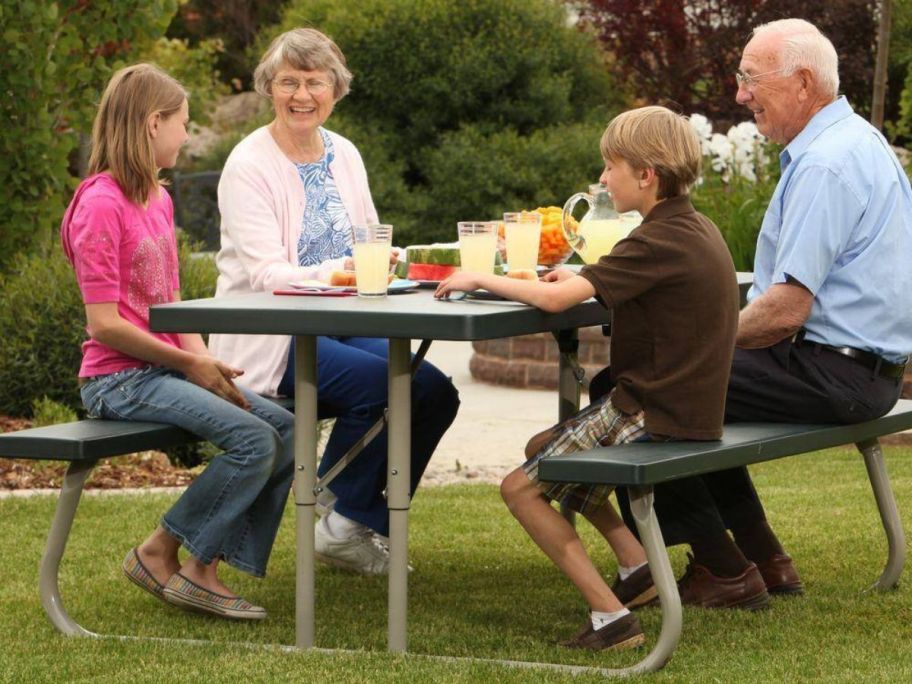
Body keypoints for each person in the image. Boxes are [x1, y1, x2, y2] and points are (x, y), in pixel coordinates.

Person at [611, 18, 912, 610]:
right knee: (694, 387)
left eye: (752, 79)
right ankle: (765, 560)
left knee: (648, 386)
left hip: (833, 373)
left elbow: (784, 311)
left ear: (802, 84)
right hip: (863, 371)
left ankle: (724, 570)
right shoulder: (855, 140)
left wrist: (687, 342)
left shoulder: (826, 163)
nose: (741, 94)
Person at [436, 106, 740, 650]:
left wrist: (480, 276)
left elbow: (554, 299)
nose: (603, 179)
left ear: (646, 175)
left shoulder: (654, 239)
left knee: (520, 490)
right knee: (543, 446)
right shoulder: (689, 227)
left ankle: (611, 617)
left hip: (653, 411)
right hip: (682, 405)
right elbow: (605, 282)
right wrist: (582, 276)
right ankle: (636, 567)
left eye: (610, 166)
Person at [208, 28, 460, 576]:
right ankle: (332, 497)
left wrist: (386, 265)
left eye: (315, 82)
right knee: (383, 389)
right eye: (288, 82)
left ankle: (349, 524)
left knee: (434, 390)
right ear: (268, 88)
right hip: (274, 332)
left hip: (343, 319)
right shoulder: (249, 163)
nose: (302, 95)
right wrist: (344, 271)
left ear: (335, 89)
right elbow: (267, 274)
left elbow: (371, 239)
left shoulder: (343, 152)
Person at [62, 64, 295, 621]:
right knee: (254, 440)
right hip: (117, 379)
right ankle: (158, 552)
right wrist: (189, 363)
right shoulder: (99, 204)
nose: (187, 136)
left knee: (286, 427)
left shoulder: (158, 198)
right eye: (182, 124)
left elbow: (166, 301)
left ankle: (199, 567)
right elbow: (105, 326)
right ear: (152, 123)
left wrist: (204, 360)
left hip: (165, 370)